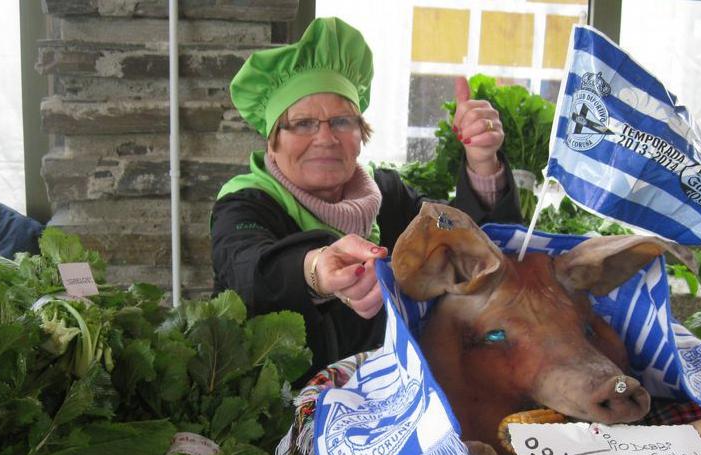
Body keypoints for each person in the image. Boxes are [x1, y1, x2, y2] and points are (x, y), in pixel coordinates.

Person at [211, 17, 522, 383]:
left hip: (396, 397)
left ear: (360, 133)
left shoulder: (388, 194)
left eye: (342, 121)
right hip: (284, 405)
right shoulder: (246, 204)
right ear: (273, 139)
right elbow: (246, 268)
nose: (325, 138)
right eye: (304, 123)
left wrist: (482, 162)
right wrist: (316, 269)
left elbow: (468, 249)